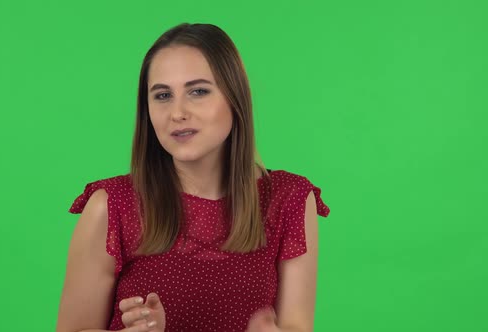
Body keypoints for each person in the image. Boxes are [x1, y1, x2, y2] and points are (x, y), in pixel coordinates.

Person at [56, 23, 331, 332]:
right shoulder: (111, 205)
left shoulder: (289, 198)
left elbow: (297, 325)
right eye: (162, 95)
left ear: (234, 97)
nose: (177, 112)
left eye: (198, 91)